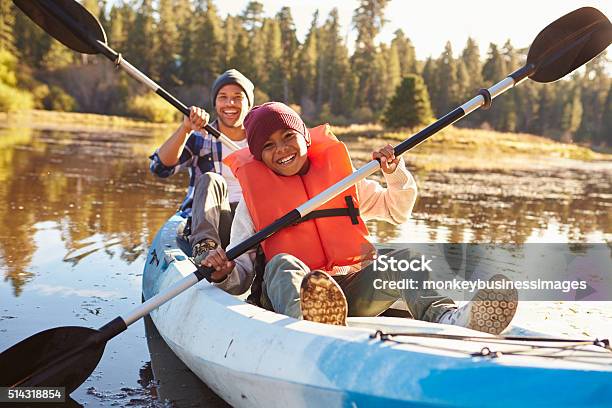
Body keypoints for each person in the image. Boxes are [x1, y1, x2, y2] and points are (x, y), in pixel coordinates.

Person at [202, 102, 517, 334]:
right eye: (268, 146)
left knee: (401, 260)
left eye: (288, 136)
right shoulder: (252, 205)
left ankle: (449, 318)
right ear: (258, 156)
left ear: (305, 138)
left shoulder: (342, 183)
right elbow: (240, 277)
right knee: (282, 261)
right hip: (288, 301)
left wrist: (394, 173)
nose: (281, 149)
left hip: (349, 293)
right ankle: (307, 324)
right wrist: (223, 272)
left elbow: (397, 209)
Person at [149, 69, 254, 262]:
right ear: (215, 103)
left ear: (249, 104)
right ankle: (205, 249)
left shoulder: (260, 143)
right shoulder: (200, 137)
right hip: (213, 222)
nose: (230, 103)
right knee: (211, 180)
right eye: (223, 97)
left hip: (251, 225)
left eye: (237, 97)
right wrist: (185, 129)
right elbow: (160, 168)